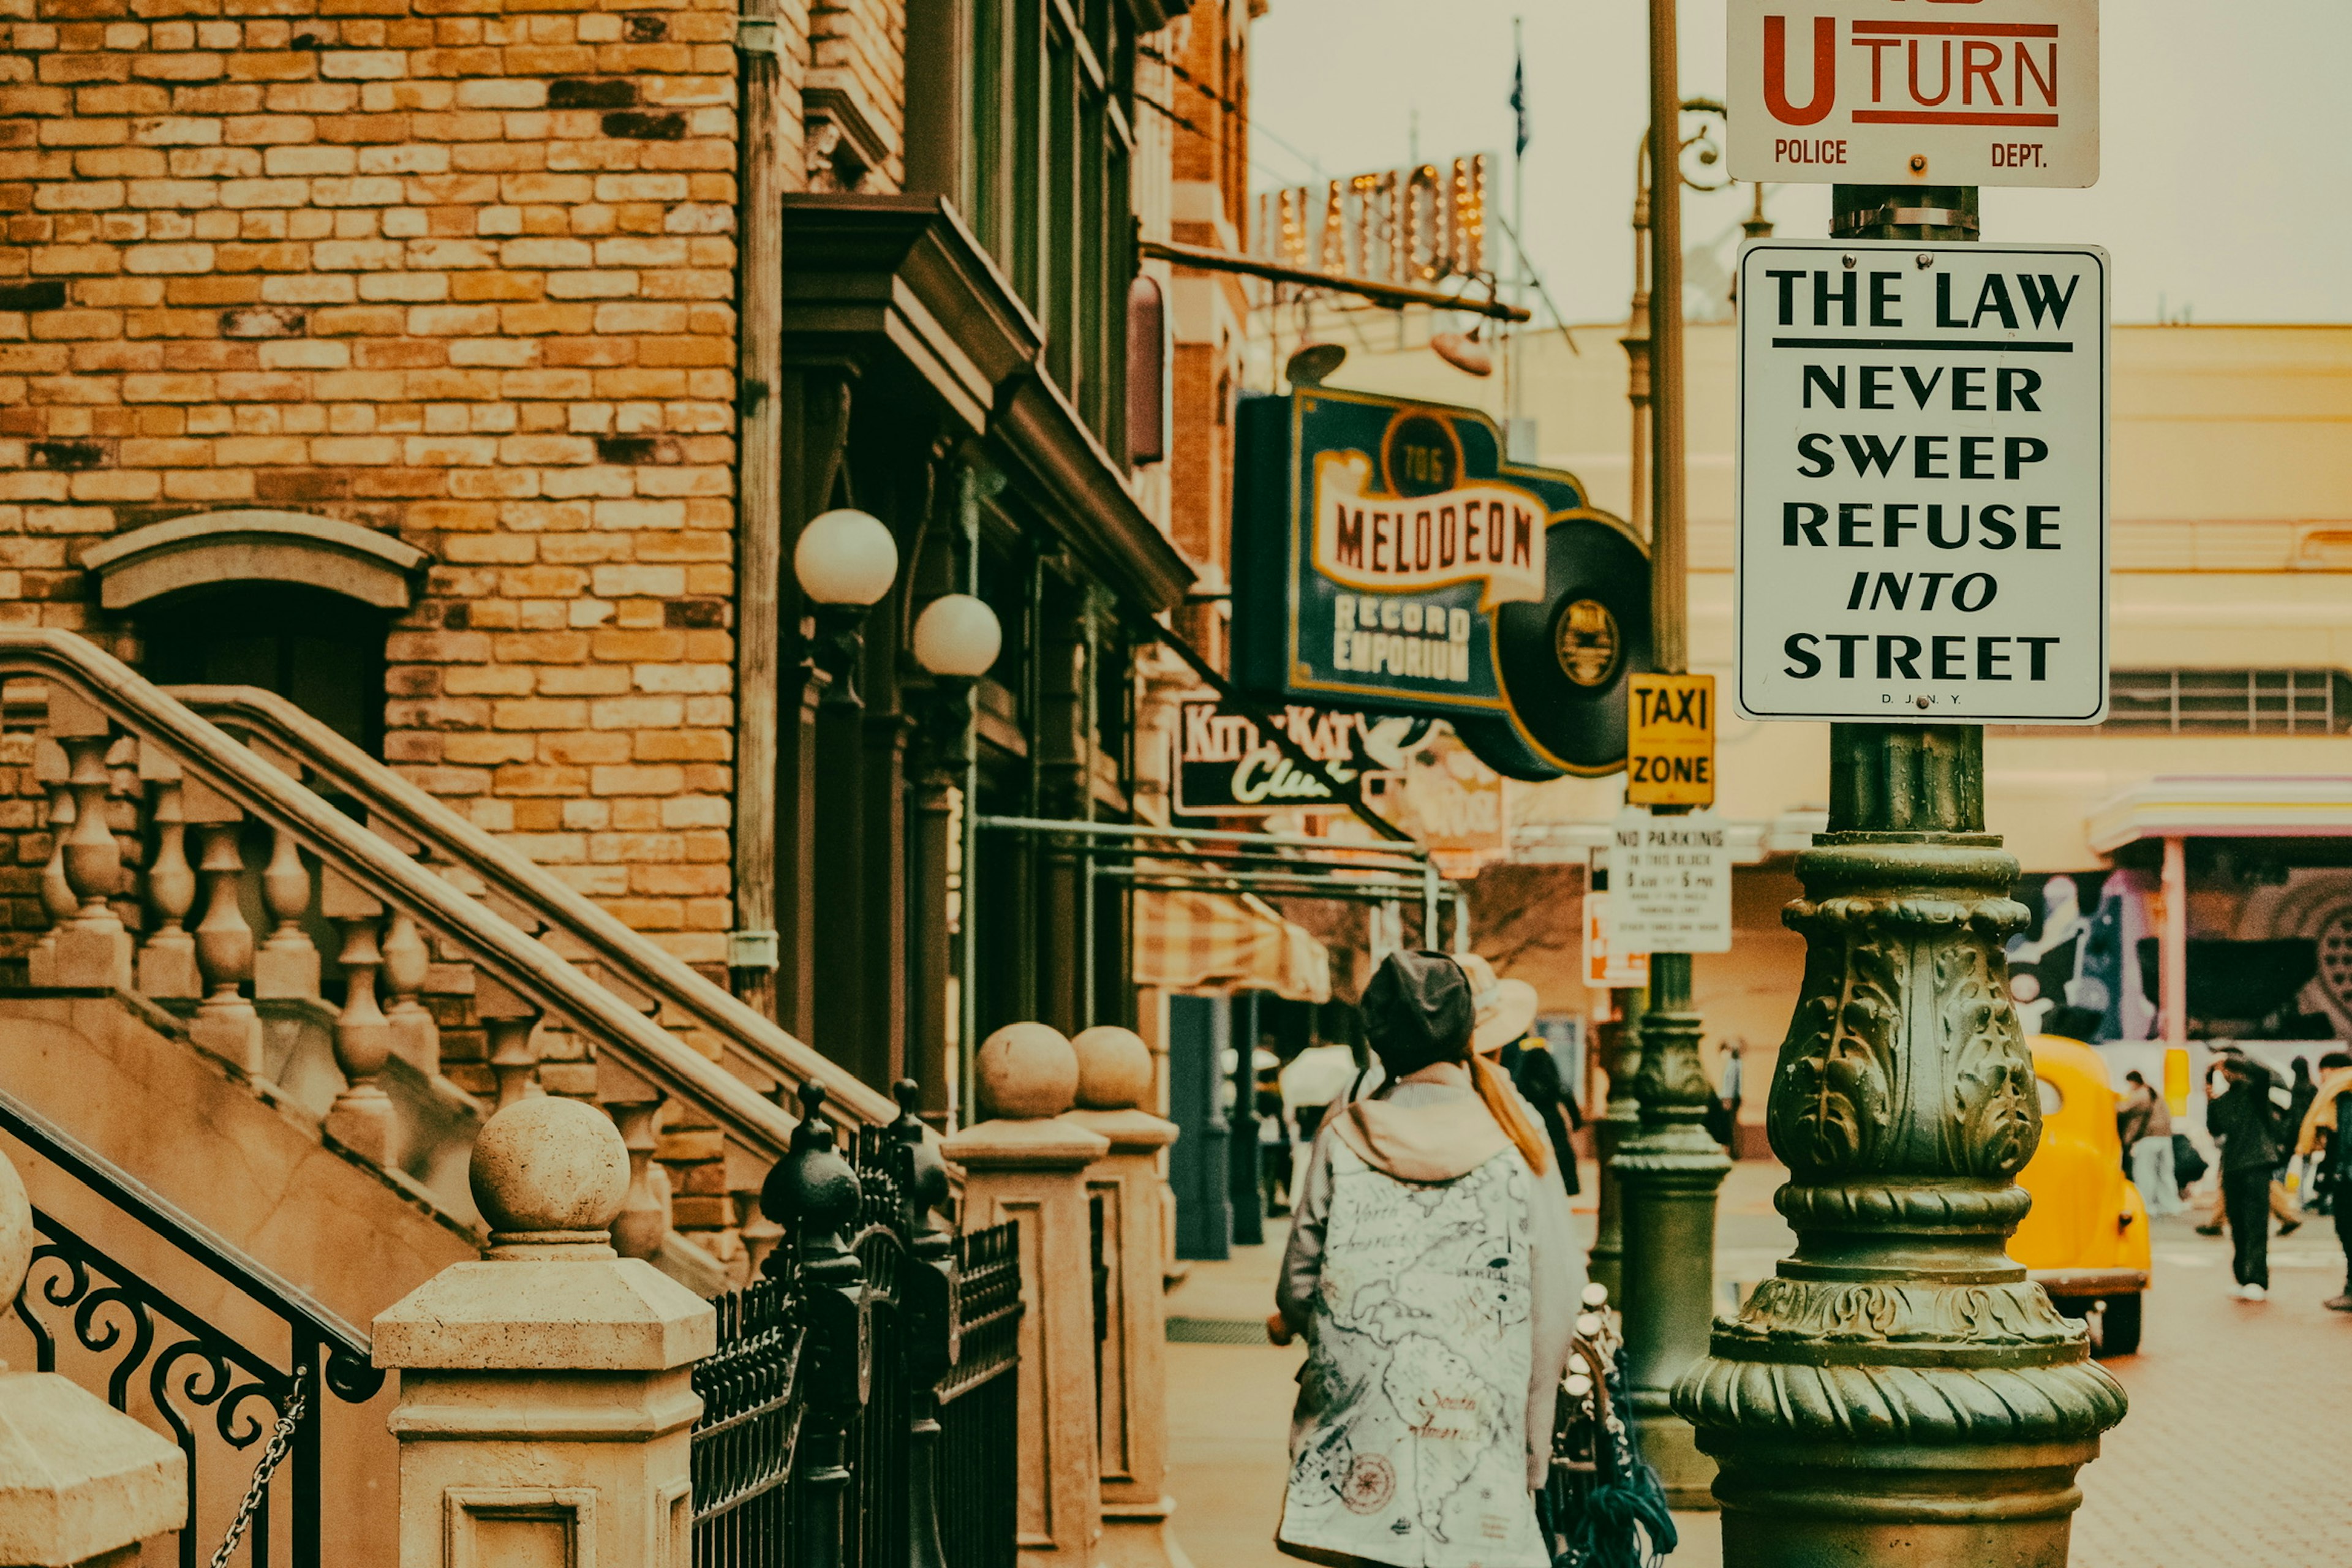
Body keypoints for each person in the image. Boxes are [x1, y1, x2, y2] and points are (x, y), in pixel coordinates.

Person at [1273, 950, 1579, 1567]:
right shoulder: (1515, 1138)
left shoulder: (1343, 1135)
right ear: (1471, 1033)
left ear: (1379, 1042)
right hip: (1480, 1412)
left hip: (1364, 1417)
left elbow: (1298, 1285)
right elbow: (1556, 1297)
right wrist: (1533, 1431)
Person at [2207, 1055, 2285, 1300]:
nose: (2227, 1074)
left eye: (2229, 1070)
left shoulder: (2254, 1091)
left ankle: (2256, 1279)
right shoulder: (2223, 1100)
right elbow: (2215, 1128)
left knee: (2255, 1223)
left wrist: (2231, 1057)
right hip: (2233, 1166)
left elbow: (2263, 1073)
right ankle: (2242, 1277)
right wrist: (2208, 1086)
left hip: (2256, 1163)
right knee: (2237, 1223)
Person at [2117, 1070, 2179, 1216]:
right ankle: (2170, 1205)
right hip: (2165, 1137)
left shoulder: (2140, 1095)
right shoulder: (2155, 1093)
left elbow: (2122, 1109)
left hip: (2148, 1138)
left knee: (2145, 1173)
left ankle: (2146, 1205)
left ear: (2133, 1082)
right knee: (2165, 1173)